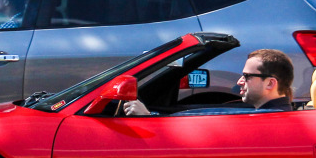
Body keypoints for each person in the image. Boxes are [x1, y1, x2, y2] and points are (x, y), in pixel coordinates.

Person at [122, 48, 294, 116]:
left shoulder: (266, 118)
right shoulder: (273, 114)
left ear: (270, 84)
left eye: (247, 76)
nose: (240, 81)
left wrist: (149, 117)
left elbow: (211, 118)